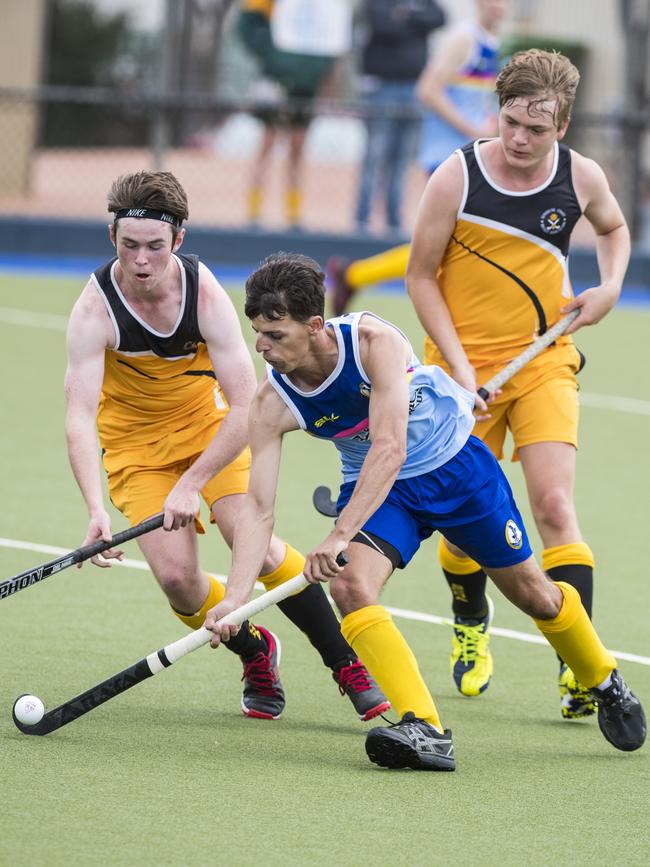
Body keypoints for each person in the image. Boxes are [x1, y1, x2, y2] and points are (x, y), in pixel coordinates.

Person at [204, 252, 646, 771]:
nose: (263, 347)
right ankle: (425, 728)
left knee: (537, 596)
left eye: (275, 335)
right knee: (350, 586)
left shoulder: (374, 344)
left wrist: (338, 535)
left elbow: (390, 446)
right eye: (258, 333)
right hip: (380, 491)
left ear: (316, 326)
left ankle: (603, 677)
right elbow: (258, 509)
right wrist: (235, 599)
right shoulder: (271, 402)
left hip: (455, 470)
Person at [64, 170, 389, 723]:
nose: (141, 260)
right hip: (135, 450)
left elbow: (246, 405)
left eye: (155, 247)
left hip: (209, 432)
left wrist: (192, 482)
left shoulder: (203, 294)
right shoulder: (95, 311)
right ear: (112, 238)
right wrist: (96, 509)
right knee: (179, 583)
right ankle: (255, 649)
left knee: (254, 544)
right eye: (129, 245)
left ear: (180, 240)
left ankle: (343, 662)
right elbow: (78, 416)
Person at [406, 48, 631, 715]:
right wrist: (460, 366)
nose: (521, 138)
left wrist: (610, 287)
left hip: (542, 362)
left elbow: (614, 229)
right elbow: (420, 275)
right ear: (496, 113)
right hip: (458, 373)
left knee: (555, 507)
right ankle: (471, 621)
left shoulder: (579, 176)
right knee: (462, 530)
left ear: (562, 124)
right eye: (511, 123)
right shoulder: (457, 178)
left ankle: (579, 664)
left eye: (538, 127)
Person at [328, 0, 509, 315]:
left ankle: (354, 275)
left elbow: (473, 99)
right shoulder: (463, 39)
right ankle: (354, 275)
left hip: (469, 156)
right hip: (448, 159)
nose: (501, 5)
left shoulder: (490, 42)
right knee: (446, 246)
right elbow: (427, 90)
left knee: (450, 245)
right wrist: (472, 129)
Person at [237, 0, 353, 228]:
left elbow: (335, 34)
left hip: (306, 86)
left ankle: (293, 213)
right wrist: (273, 55)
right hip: (274, 80)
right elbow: (246, 25)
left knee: (298, 148)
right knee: (267, 143)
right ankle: (254, 211)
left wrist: (319, 69)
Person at [353, 0, 446, 234]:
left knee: (402, 159)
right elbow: (383, 25)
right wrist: (415, 19)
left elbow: (439, 18)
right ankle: (361, 221)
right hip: (382, 87)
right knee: (375, 154)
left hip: (413, 88)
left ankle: (394, 221)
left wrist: (405, 15)